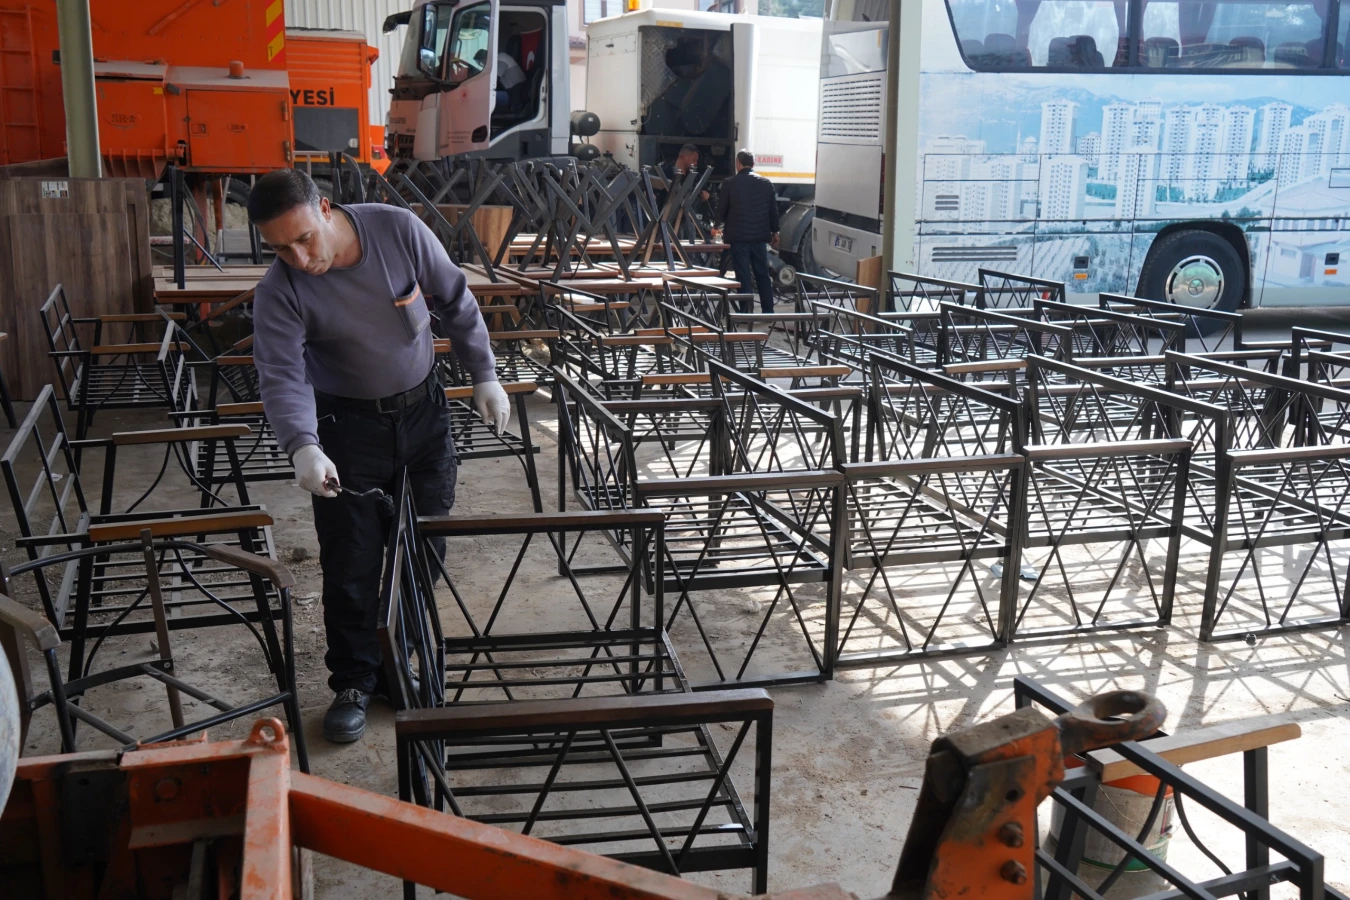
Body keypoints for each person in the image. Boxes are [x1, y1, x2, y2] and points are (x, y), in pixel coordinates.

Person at [247, 168, 510, 744]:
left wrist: (484, 373)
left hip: (423, 416)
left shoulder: (397, 231)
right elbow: (282, 374)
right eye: (281, 248)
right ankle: (354, 681)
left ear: (325, 208)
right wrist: (303, 444)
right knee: (352, 560)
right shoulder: (280, 291)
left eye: (304, 238)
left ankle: (397, 661)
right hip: (346, 428)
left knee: (424, 546)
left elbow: (455, 298)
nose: (299, 258)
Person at [714, 149, 780, 314]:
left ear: (738, 163)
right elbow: (773, 211)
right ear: (753, 164)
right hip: (759, 238)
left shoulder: (730, 183)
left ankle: (745, 313)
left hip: (738, 238)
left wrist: (716, 227)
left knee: (743, 275)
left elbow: (722, 209)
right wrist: (775, 232)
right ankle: (768, 311)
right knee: (762, 274)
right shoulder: (766, 183)